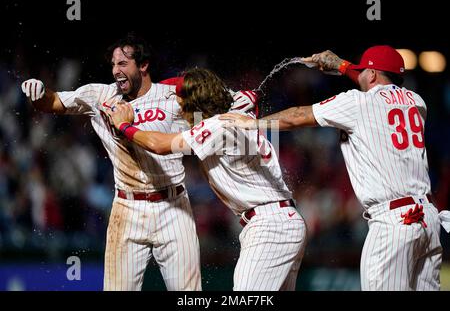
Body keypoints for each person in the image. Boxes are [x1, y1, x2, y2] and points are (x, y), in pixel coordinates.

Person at [220, 45, 450, 291]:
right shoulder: (417, 102)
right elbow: (378, 84)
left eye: (363, 71)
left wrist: (253, 123)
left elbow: (297, 116)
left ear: (371, 74)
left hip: (394, 223)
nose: (358, 74)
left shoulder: (356, 102)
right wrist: (342, 65)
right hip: (429, 221)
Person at [21, 34, 203, 291]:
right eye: (113, 64)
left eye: (123, 63)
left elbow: (209, 125)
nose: (116, 70)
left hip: (173, 206)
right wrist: (38, 92)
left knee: (189, 295)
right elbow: (54, 102)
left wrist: (239, 108)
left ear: (143, 65)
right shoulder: (101, 95)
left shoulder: (174, 97)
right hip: (127, 208)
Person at [107, 68, 307, 291]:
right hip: (284, 219)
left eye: (180, 100)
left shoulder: (216, 126)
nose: (177, 105)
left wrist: (124, 125)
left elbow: (159, 145)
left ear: (194, 102)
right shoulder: (237, 108)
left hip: (270, 227)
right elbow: (221, 92)